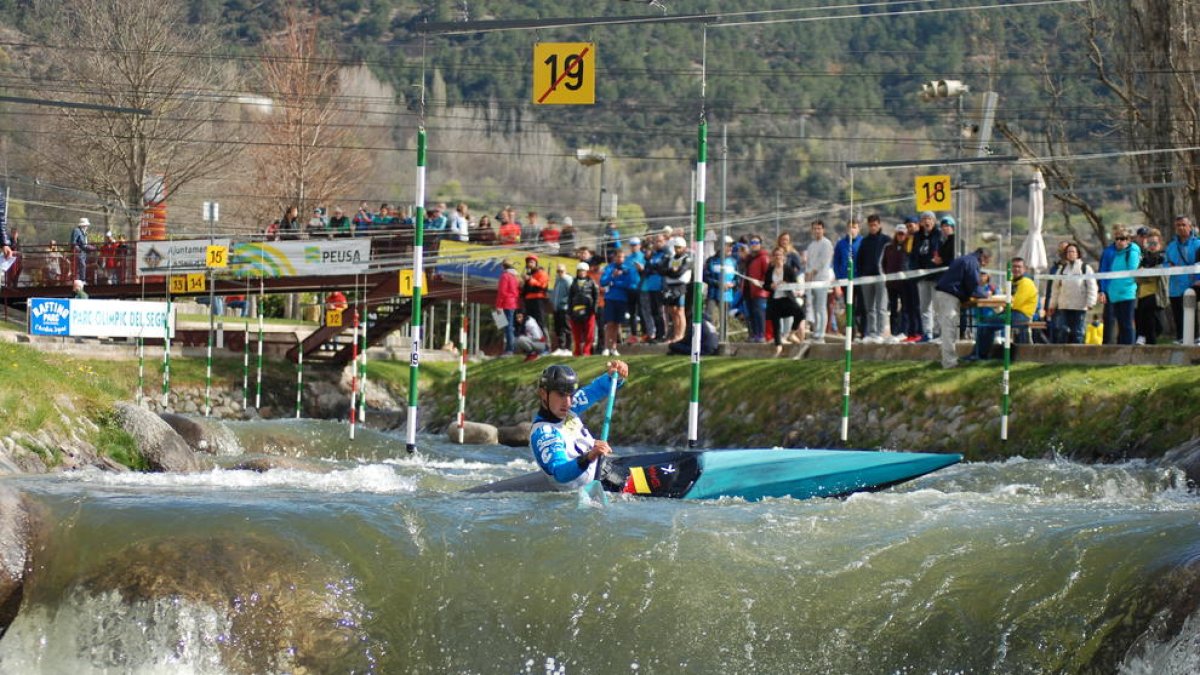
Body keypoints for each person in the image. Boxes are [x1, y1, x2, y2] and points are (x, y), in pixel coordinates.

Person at [529, 361, 628, 491]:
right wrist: (589, 456)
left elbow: (595, 389)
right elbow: (560, 473)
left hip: (606, 471)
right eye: (561, 395)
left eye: (571, 395)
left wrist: (615, 376)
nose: (568, 402)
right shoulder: (544, 433)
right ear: (543, 393)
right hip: (588, 488)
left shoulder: (569, 407)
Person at [967, 257, 1038, 361]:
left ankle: (980, 355)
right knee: (984, 323)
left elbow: (1015, 302)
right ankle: (977, 354)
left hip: (1021, 315)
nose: (1016, 269)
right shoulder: (1012, 282)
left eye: (1019, 267)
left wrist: (1001, 302)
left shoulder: (1026, 283)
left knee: (987, 324)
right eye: (1014, 266)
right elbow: (1006, 297)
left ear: (1024, 269)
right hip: (1011, 312)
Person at [932, 246, 991, 368]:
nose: (984, 266)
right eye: (986, 262)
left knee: (947, 330)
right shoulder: (972, 262)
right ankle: (949, 363)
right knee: (949, 330)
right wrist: (985, 295)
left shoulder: (965, 259)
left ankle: (946, 360)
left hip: (944, 295)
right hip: (949, 296)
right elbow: (973, 284)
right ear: (983, 257)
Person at [1047, 243, 1098, 344]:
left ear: (1078, 254)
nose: (1070, 254)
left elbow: (1092, 286)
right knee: (1062, 330)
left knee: (1078, 332)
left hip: (1079, 306)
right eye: (1068, 252)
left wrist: (1091, 302)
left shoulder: (1085, 268)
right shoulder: (1061, 270)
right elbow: (1055, 289)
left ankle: (1078, 355)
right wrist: (1052, 305)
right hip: (1064, 306)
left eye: (1072, 251)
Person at [1099, 226, 1141, 345]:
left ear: (1128, 240)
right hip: (1114, 294)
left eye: (1122, 238)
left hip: (1127, 294)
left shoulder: (1132, 253)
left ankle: (1129, 350)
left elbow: (1133, 273)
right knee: (1121, 324)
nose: (1119, 241)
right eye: (1117, 239)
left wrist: (1124, 288)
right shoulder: (1115, 254)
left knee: (1127, 324)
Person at [1164, 215, 1200, 342]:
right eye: (1178, 225)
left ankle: (1195, 337)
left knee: (1191, 311)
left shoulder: (1197, 244)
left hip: (1191, 285)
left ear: (1190, 227)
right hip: (1175, 286)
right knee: (1178, 314)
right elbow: (1165, 263)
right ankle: (1180, 338)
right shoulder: (1171, 246)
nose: (1181, 228)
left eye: (1184, 225)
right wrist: (1169, 265)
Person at [854, 214, 890, 343]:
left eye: (875, 225)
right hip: (867, 277)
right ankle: (872, 332)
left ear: (879, 224)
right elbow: (859, 259)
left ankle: (881, 332)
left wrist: (886, 273)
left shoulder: (886, 240)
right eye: (870, 225)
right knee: (869, 307)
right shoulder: (865, 241)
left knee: (881, 307)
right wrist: (862, 273)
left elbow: (889, 259)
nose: (873, 227)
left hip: (882, 277)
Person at [763, 246, 806, 351]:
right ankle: (778, 347)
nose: (778, 257)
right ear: (773, 257)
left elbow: (795, 283)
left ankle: (791, 333)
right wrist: (771, 286)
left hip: (786, 299)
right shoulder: (770, 271)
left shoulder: (788, 269)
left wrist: (786, 283)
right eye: (776, 255)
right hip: (775, 300)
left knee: (800, 313)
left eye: (780, 255)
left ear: (784, 257)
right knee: (776, 323)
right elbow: (765, 285)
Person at [599, 248, 640, 355]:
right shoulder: (609, 268)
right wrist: (613, 276)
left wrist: (614, 283)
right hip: (610, 298)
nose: (620, 259)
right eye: (618, 257)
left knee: (617, 324)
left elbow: (628, 283)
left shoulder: (627, 269)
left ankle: (613, 347)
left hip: (622, 299)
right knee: (609, 323)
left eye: (622, 257)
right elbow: (603, 282)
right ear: (614, 257)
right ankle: (606, 347)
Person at [910, 211, 943, 341]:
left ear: (934, 221)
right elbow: (913, 255)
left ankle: (938, 332)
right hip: (922, 276)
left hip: (936, 276)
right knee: (924, 307)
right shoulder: (917, 236)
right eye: (924, 219)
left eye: (929, 219)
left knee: (937, 307)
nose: (927, 221)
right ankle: (927, 333)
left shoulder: (939, 235)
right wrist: (914, 270)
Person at [1135, 230, 1167, 345]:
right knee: (1149, 324)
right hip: (1143, 296)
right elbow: (1137, 277)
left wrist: (1146, 274)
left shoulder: (1162, 257)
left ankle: (1146, 340)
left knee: (1159, 326)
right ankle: (1149, 347)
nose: (1152, 246)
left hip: (1157, 296)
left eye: (1154, 243)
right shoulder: (1143, 259)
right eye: (1150, 243)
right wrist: (1147, 275)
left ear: (1160, 244)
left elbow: (1159, 274)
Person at [882, 223, 913, 341]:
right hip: (891, 283)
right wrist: (887, 275)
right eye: (899, 234)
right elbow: (884, 263)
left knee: (905, 308)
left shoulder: (908, 247)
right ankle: (893, 333)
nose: (901, 236)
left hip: (904, 283)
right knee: (893, 308)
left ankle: (904, 331)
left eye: (903, 234)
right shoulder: (889, 247)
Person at [804, 220, 834, 341]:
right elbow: (808, 263)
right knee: (814, 307)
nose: (817, 231)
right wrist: (807, 275)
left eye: (819, 228)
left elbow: (823, 261)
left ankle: (821, 332)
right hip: (811, 280)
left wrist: (813, 272)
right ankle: (816, 330)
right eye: (815, 228)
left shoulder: (826, 244)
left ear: (823, 230)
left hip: (821, 279)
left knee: (821, 307)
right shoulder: (811, 246)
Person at [663, 236, 693, 343]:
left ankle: (680, 335)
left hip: (681, 287)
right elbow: (663, 270)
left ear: (684, 248)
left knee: (680, 311)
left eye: (679, 247)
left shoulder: (687, 259)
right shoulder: (671, 259)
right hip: (671, 286)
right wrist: (672, 271)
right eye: (676, 247)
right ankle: (676, 334)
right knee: (672, 311)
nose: (677, 250)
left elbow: (680, 272)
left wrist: (672, 272)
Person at [567, 261, 598, 356]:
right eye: (580, 271)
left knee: (589, 333)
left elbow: (595, 296)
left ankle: (586, 351)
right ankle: (577, 351)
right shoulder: (573, 283)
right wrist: (570, 311)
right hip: (576, 311)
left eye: (583, 271)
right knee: (576, 333)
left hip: (588, 311)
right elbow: (570, 298)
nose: (582, 273)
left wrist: (594, 309)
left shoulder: (592, 283)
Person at [744, 234, 770, 342]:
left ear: (760, 244)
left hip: (760, 292)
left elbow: (767, 273)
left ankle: (761, 334)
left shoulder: (763, 258)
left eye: (756, 243)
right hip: (749, 291)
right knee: (752, 314)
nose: (754, 245)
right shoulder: (749, 259)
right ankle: (754, 334)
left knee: (759, 314)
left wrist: (761, 284)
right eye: (752, 243)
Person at [495, 260, 520, 355]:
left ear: (503, 266)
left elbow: (502, 292)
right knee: (510, 326)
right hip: (513, 303)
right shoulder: (514, 277)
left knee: (507, 327)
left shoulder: (505, 276)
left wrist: (498, 305)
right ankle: (510, 347)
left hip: (505, 303)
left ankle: (509, 349)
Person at [522, 254, 550, 334]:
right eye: (528, 262)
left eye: (531, 262)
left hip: (538, 300)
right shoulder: (529, 274)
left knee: (540, 321)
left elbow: (542, 286)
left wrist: (530, 280)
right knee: (529, 322)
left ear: (536, 263)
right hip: (528, 301)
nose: (529, 264)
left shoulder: (542, 273)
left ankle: (545, 342)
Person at [549, 263, 573, 354]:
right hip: (557, 308)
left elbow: (571, 294)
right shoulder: (558, 280)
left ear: (565, 271)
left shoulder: (568, 280)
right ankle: (561, 347)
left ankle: (568, 348)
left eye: (561, 271)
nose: (559, 273)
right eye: (558, 271)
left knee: (566, 327)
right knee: (558, 328)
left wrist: (563, 301)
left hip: (565, 307)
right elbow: (555, 292)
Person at [70, 217, 93, 283]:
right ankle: (80, 281)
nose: (87, 227)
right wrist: (79, 249)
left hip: (83, 253)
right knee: (81, 266)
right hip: (78, 253)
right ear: (83, 225)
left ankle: (81, 280)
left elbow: (84, 244)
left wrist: (89, 247)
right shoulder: (76, 231)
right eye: (86, 225)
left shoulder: (84, 233)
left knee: (82, 266)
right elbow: (73, 242)